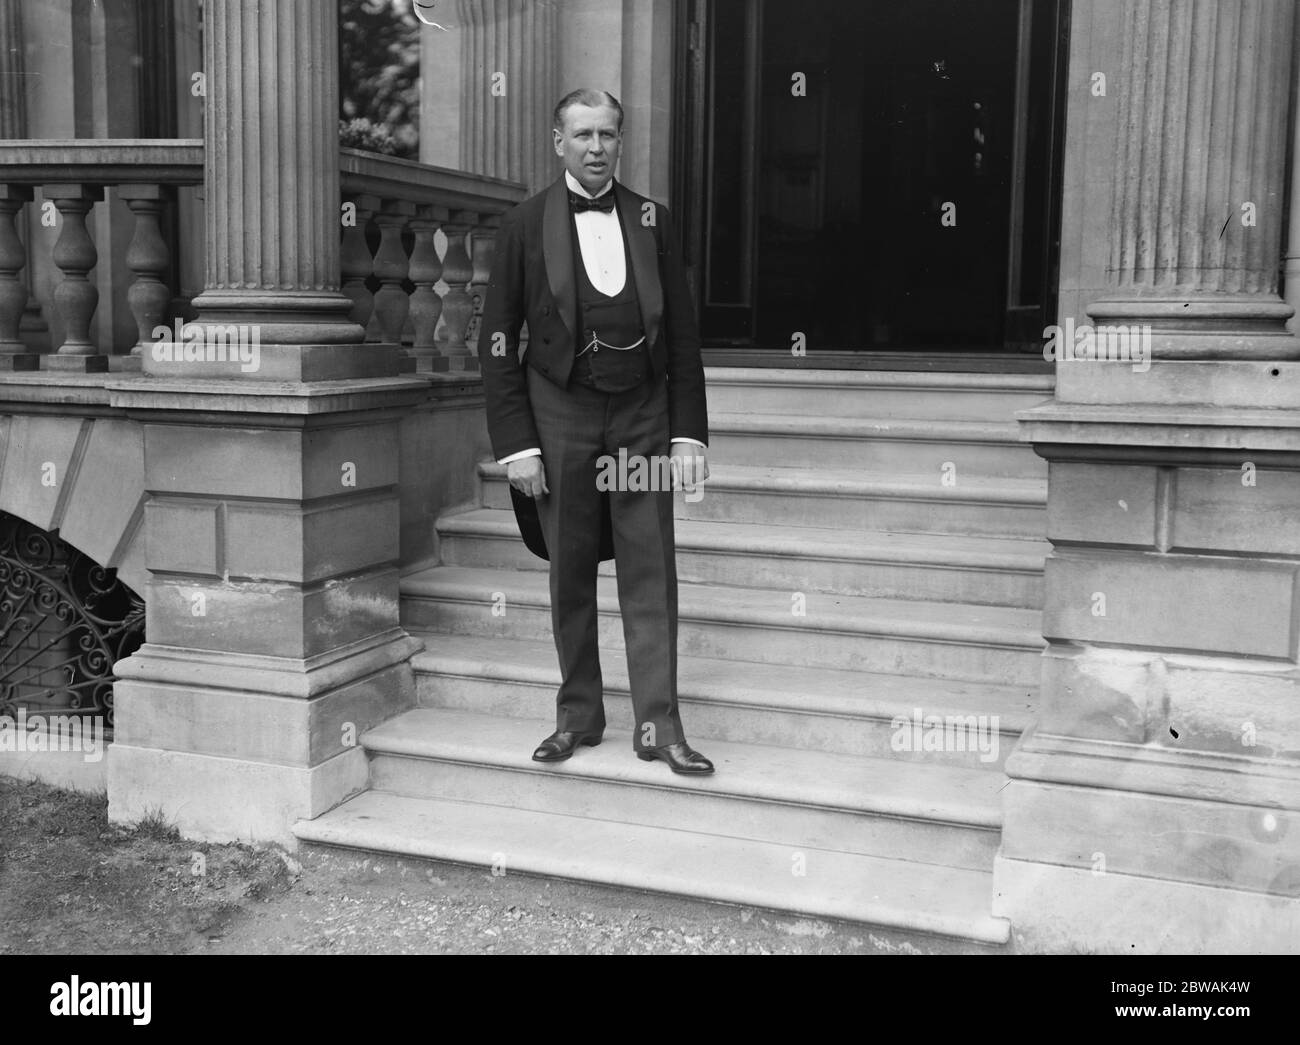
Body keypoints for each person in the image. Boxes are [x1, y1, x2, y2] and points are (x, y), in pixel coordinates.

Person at [478, 88, 714, 775]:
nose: (595, 147)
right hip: (560, 416)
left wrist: (689, 433)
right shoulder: (524, 224)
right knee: (571, 572)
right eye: (582, 134)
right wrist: (516, 444)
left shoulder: (654, 220)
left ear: (620, 139)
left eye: (608, 134)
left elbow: (685, 338)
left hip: (643, 418)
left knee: (650, 568)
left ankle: (659, 726)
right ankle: (578, 715)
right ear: (559, 142)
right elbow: (496, 339)